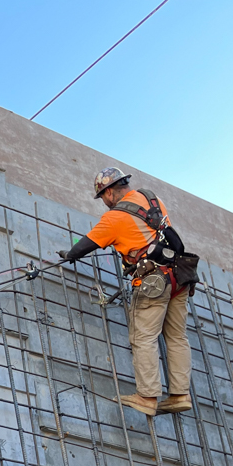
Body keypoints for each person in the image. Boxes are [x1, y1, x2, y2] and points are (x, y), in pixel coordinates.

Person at [59, 167, 194, 417]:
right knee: (176, 337)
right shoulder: (153, 199)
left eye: (103, 198)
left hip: (152, 281)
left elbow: (87, 244)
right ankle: (180, 395)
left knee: (143, 338)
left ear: (109, 192)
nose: (104, 204)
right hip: (179, 276)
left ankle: (147, 396)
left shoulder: (114, 217)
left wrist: (69, 254)